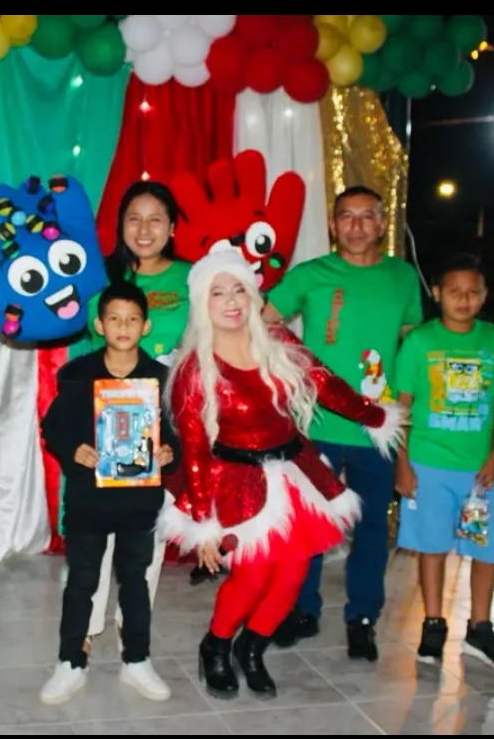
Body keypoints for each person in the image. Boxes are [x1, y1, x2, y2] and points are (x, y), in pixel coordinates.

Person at [165, 246, 404, 701]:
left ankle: (251, 648)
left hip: (294, 473)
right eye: (218, 292)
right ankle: (216, 646)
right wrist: (204, 524)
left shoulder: (278, 341)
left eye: (239, 289)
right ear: (202, 303)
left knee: (292, 577)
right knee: (253, 577)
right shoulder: (194, 369)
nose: (231, 300)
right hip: (236, 483)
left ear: (253, 294)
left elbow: (327, 384)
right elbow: (194, 449)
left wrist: (376, 417)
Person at [269, 184, 423, 664]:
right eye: (346, 216)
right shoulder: (311, 274)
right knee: (309, 523)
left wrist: (410, 418)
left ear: (382, 223)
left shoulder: (402, 277)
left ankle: (362, 618)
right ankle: (303, 609)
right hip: (316, 425)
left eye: (366, 215)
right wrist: (288, 369)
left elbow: (412, 349)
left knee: (372, 526)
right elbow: (261, 322)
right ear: (334, 225)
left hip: (377, 428)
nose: (356, 225)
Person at [40, 281, 178, 708]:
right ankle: (70, 660)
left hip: (139, 500)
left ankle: (136, 659)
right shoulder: (78, 373)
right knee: (82, 579)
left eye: (132, 319)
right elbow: (53, 427)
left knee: (136, 580)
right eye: (114, 318)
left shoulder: (160, 378)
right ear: (99, 325)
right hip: (89, 498)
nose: (123, 326)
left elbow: (175, 432)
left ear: (145, 326)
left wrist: (169, 451)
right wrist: (73, 449)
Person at [71, 180, 193, 649]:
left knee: (148, 525)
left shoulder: (193, 278)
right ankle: (85, 624)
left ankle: (132, 620)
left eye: (155, 219)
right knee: (97, 525)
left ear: (172, 227)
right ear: (120, 226)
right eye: (133, 219)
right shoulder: (98, 277)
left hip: (165, 415)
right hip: (105, 414)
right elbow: (81, 339)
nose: (144, 229)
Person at [395, 254, 494, 670]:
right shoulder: (420, 341)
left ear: (484, 295)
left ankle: (480, 627)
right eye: (454, 292)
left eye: (472, 292)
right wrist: (403, 462)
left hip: (478, 475)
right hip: (428, 466)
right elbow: (402, 405)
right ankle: (433, 623)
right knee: (433, 547)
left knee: (483, 549)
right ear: (437, 294)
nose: (464, 299)